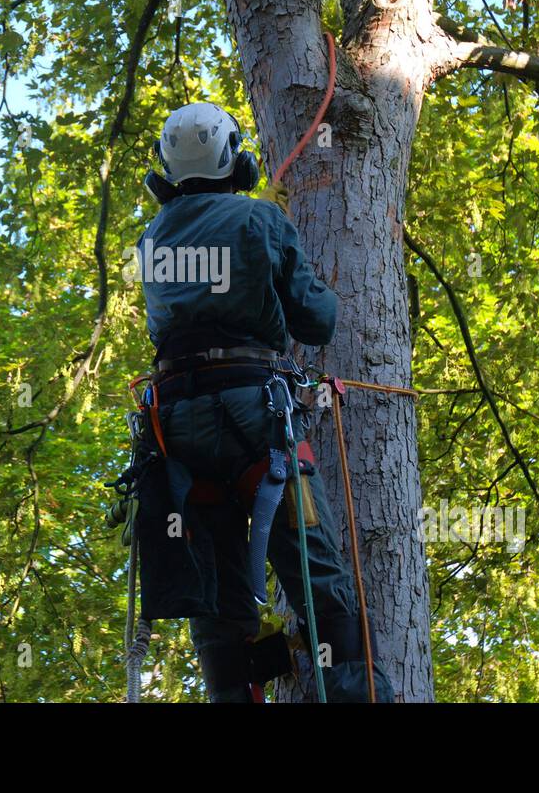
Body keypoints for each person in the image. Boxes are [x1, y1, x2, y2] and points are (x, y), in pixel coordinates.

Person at [131, 100, 394, 702]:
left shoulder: (152, 239)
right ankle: (351, 689)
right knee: (314, 570)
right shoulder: (260, 221)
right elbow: (317, 321)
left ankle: (238, 687)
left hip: (177, 431)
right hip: (256, 416)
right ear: (237, 160)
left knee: (219, 598)